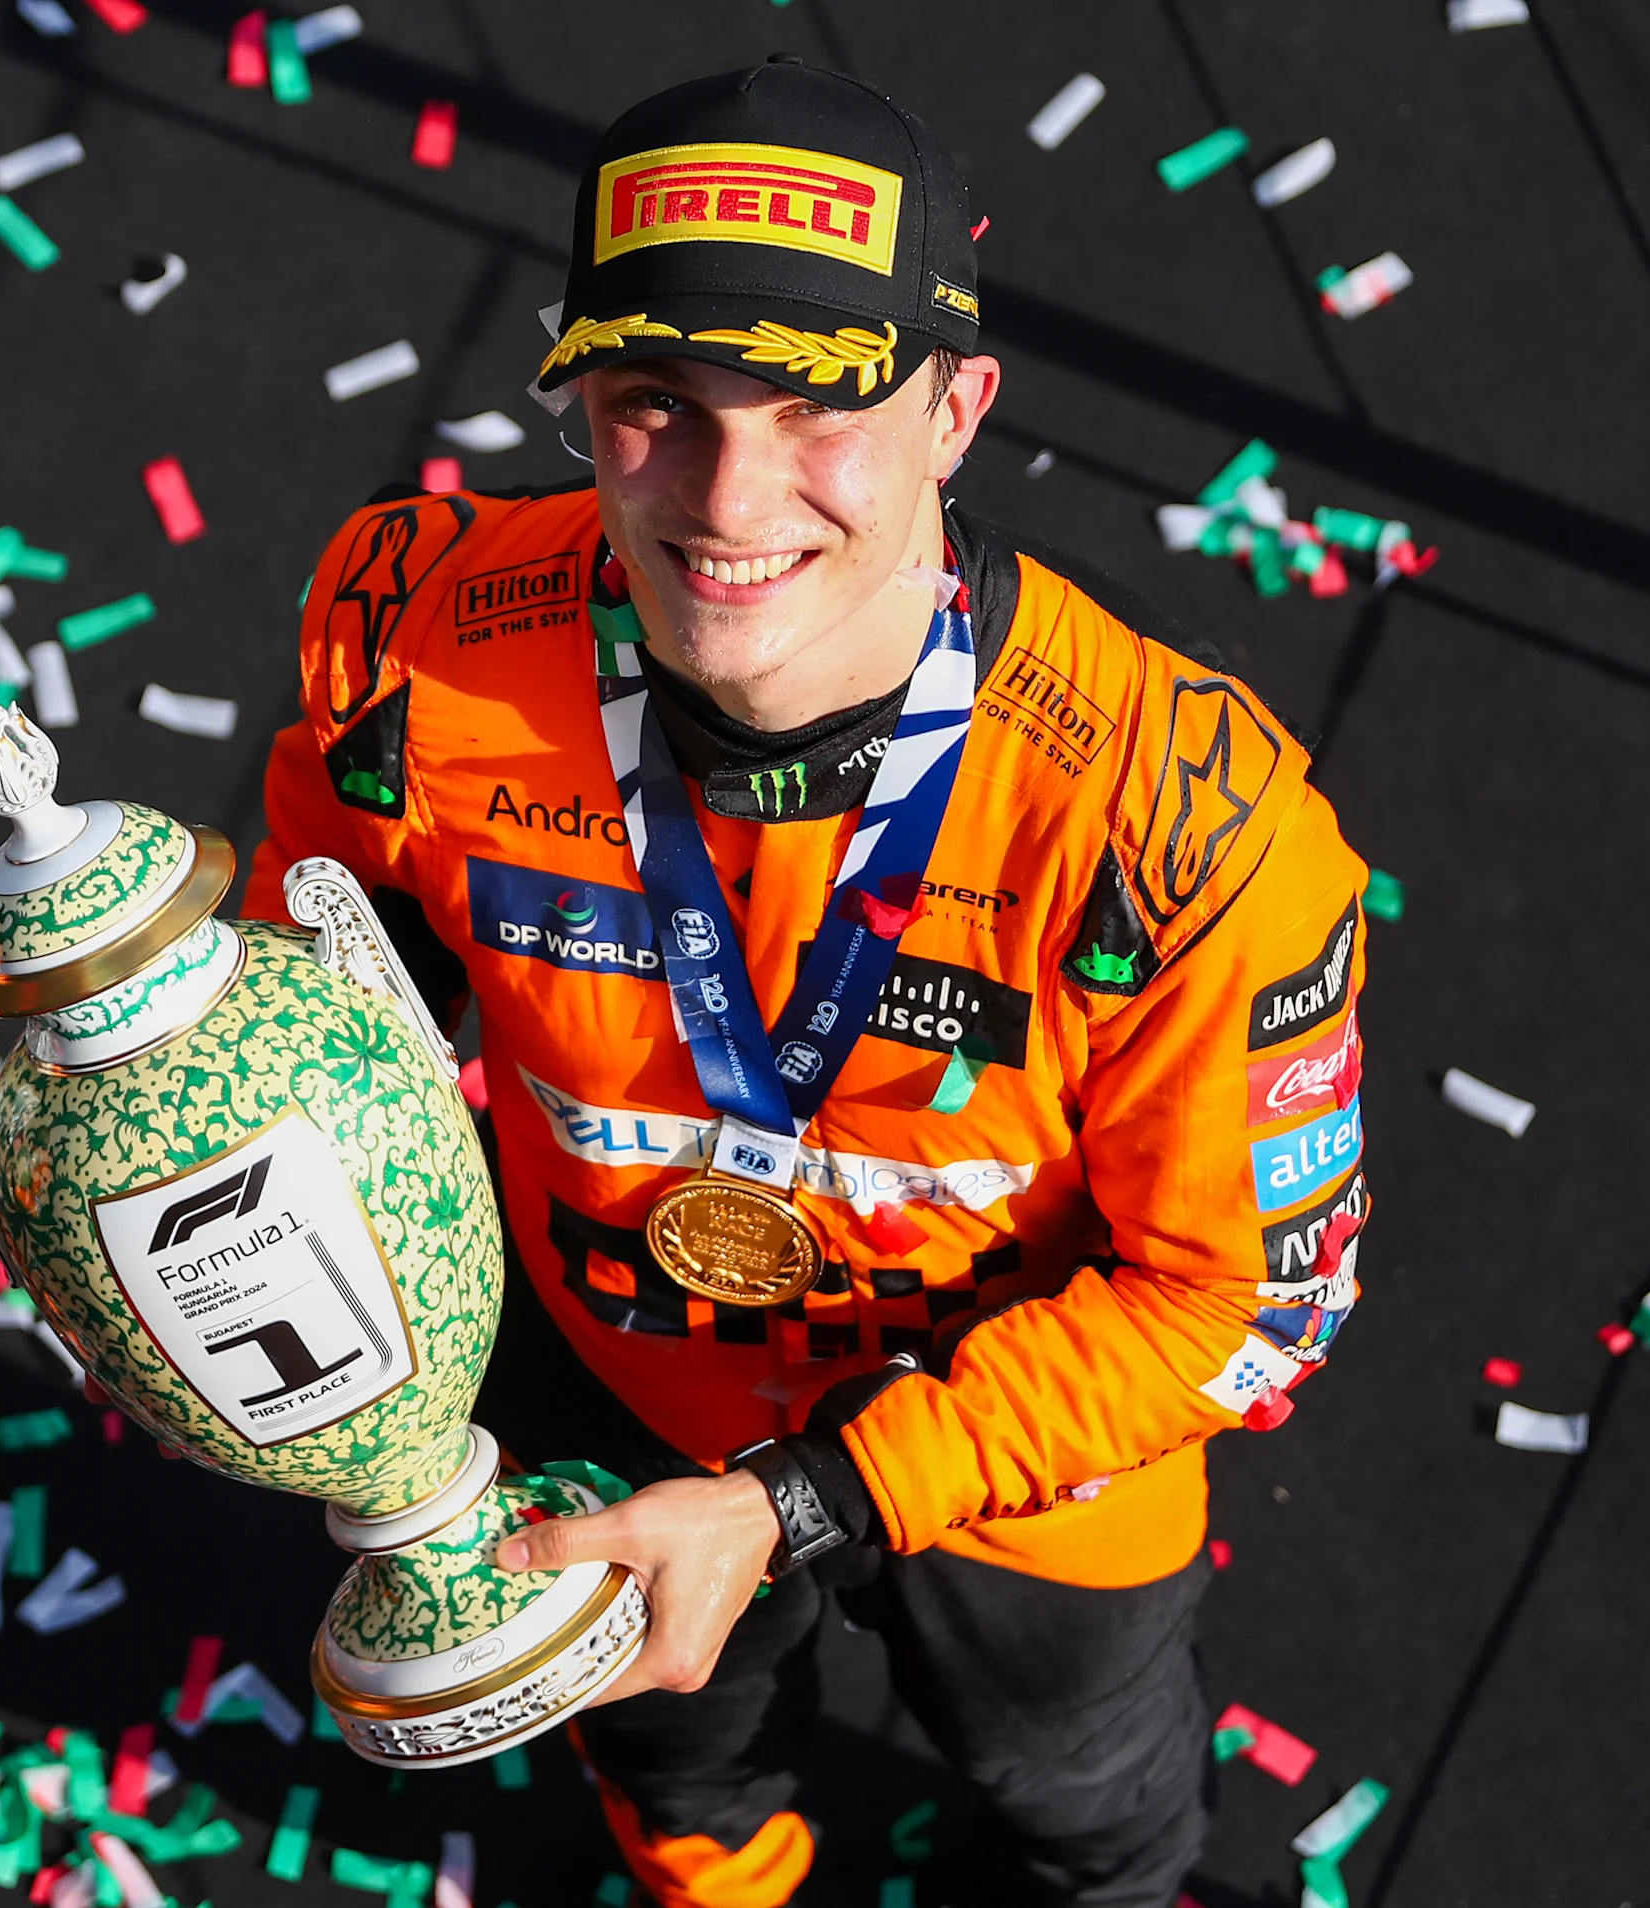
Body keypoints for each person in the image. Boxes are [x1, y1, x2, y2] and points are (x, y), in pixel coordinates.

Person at [251, 57, 1374, 1908]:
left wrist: (799, 1504)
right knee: (680, 1779)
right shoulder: (421, 652)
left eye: (818, 404)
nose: (723, 493)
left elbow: (1249, 1310)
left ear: (960, 411)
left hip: (1033, 1476)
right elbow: (320, 1011)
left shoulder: (1184, 825)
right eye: (653, 403)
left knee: (1085, 1798)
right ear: (582, 405)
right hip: (602, 1377)